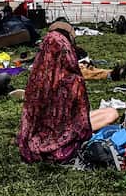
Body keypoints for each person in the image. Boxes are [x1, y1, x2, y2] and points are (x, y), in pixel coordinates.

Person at [17, 29, 120, 164]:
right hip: (62, 135)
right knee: (111, 113)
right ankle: (109, 74)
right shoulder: (73, 81)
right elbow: (80, 123)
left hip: (38, 132)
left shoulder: (36, 78)